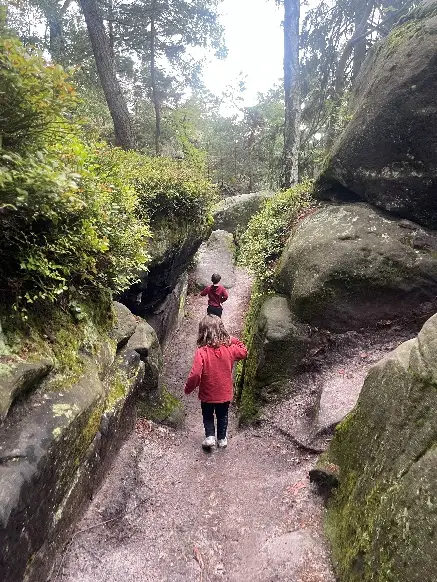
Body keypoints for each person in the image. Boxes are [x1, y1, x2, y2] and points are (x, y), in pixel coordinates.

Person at [184, 315, 247, 450]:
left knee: (207, 415)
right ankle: (222, 439)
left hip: (208, 393)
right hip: (225, 392)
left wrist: (189, 388)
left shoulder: (202, 352)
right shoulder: (230, 349)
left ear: (203, 332)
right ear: (222, 330)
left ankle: (210, 436)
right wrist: (233, 340)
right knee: (223, 415)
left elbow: (195, 374)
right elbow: (244, 352)